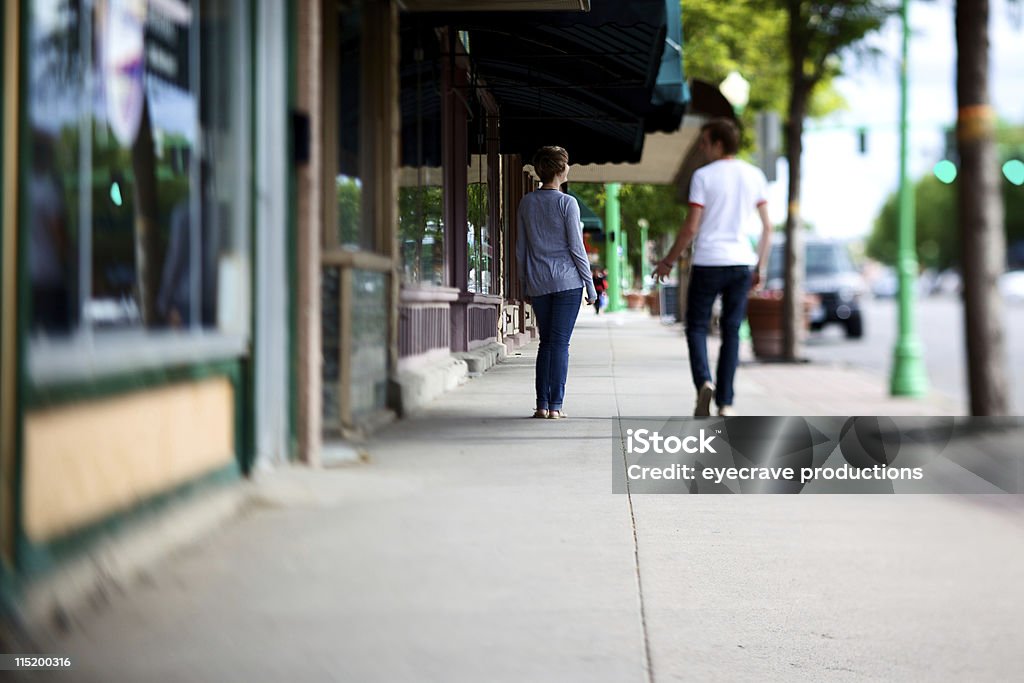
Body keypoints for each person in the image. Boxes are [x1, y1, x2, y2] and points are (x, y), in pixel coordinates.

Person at [653, 118, 772, 417]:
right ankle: (726, 403)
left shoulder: (703, 176)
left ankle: (704, 381)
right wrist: (761, 266)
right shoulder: (754, 175)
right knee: (731, 331)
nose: (703, 148)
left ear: (719, 144)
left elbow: (691, 226)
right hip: (742, 262)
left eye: (705, 142)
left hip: (708, 261)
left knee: (695, 326)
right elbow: (768, 226)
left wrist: (668, 260)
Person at [517, 146, 597, 419]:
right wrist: (591, 285)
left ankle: (541, 404)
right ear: (561, 170)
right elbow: (577, 248)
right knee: (560, 344)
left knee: (545, 343)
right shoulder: (567, 203)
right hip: (566, 283)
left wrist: (524, 282)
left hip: (538, 282)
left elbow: (521, 248)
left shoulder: (527, 202)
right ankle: (556, 407)